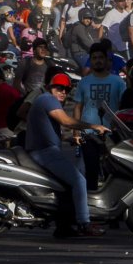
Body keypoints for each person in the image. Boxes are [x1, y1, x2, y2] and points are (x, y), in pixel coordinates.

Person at [26, 71, 110, 238]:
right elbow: (66, 121)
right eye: (59, 88)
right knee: (79, 180)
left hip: (44, 150)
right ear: (51, 87)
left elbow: (47, 131)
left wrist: (68, 138)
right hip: (45, 153)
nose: (63, 92)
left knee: (65, 186)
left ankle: (63, 226)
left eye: (66, 89)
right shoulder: (47, 99)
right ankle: (84, 223)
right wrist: (94, 127)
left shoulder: (45, 101)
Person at [74, 43, 126, 188]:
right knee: (91, 171)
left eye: (100, 58)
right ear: (90, 60)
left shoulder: (118, 82)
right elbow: (78, 107)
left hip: (112, 134)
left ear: (106, 59)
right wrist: (76, 131)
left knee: (114, 172)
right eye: (94, 58)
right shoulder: (83, 82)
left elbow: (124, 107)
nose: (97, 60)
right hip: (89, 134)